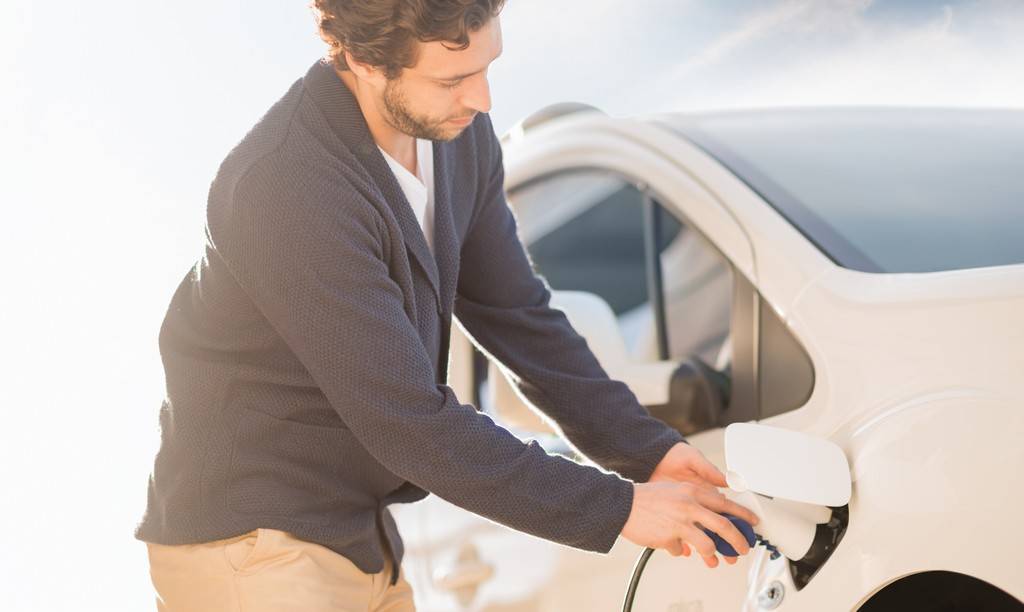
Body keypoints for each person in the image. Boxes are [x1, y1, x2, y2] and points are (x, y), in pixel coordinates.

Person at [134, 1, 759, 610]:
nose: (482, 99)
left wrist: (649, 451)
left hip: (361, 539)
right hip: (252, 547)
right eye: (452, 80)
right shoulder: (286, 184)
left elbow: (518, 317)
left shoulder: (460, 139)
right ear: (365, 61)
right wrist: (619, 507)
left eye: (487, 67)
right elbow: (407, 419)